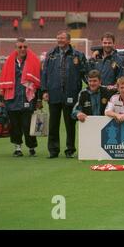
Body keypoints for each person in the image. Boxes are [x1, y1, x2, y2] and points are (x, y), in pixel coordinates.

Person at [41, 30, 87, 158]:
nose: (60, 40)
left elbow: (84, 73)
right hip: (54, 93)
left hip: (71, 93)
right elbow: (44, 73)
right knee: (53, 124)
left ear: (68, 40)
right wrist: (44, 91)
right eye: (58, 38)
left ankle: (70, 149)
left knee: (70, 123)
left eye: (62, 38)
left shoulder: (77, 55)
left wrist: (91, 87)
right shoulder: (51, 54)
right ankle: (53, 150)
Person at [0, 37, 41, 157]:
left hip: (28, 98)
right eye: (20, 47)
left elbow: (38, 82)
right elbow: (2, 80)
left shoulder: (34, 62)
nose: (23, 49)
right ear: (16, 48)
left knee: (28, 125)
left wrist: (38, 99)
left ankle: (31, 147)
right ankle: (17, 148)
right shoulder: (8, 63)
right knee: (15, 126)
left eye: (25, 47)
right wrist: (2, 99)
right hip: (11, 99)